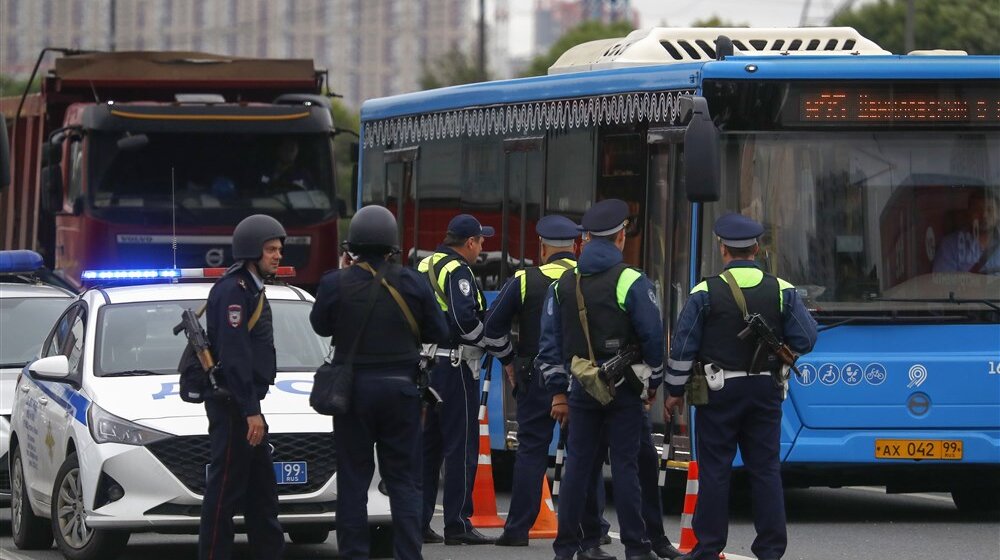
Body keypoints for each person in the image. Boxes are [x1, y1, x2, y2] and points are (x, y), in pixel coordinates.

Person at [663, 213, 818, 560]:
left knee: (716, 469)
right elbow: (807, 338)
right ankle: (770, 549)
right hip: (765, 391)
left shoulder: (705, 291)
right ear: (757, 248)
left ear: (723, 249)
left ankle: (708, 548)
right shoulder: (782, 290)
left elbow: (683, 346)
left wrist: (672, 391)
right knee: (765, 469)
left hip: (718, 392)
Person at [309, 205, 449, 560]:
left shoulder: (335, 282)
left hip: (352, 392)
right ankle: (407, 554)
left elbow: (320, 326)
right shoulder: (413, 281)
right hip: (401, 390)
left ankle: (354, 553)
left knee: (354, 480)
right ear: (392, 244)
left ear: (352, 245)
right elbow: (439, 331)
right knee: (404, 481)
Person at [538, 198, 664, 560]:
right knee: (625, 466)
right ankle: (637, 549)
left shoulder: (565, 282)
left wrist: (558, 392)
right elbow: (653, 336)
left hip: (581, 387)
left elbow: (552, 342)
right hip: (624, 389)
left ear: (588, 239)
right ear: (621, 237)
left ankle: (569, 547)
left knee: (578, 467)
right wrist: (652, 382)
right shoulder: (630, 280)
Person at [481, 215, 584, 547]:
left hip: (535, 377)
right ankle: (588, 528)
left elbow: (492, 328)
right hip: (583, 378)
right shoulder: (587, 278)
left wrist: (509, 361)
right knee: (584, 450)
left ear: (542, 248)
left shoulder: (524, 279)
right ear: (576, 247)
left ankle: (517, 530)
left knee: (531, 452)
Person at [199, 214, 286, 560]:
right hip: (235, 406)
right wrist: (251, 411)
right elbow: (235, 357)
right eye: (270, 250)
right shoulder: (234, 292)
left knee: (263, 493)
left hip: (247, 405)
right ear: (252, 251)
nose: (278, 256)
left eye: (279, 249)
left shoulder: (251, 288)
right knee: (224, 492)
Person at [418, 214, 496, 546]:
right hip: (456, 367)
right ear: (469, 243)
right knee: (461, 446)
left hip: (425, 366)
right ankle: (457, 524)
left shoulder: (424, 266)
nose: (482, 248)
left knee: (428, 449)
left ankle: (419, 522)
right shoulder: (458, 270)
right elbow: (466, 321)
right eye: (481, 242)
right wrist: (492, 341)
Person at [932, 190, 1000, 274]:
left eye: (990, 210)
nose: (984, 215)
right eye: (977, 209)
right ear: (969, 214)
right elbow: (941, 283)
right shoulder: (950, 246)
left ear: (998, 215)